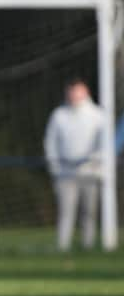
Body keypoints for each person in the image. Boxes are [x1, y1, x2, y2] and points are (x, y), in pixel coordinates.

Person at [44, 78, 103, 251]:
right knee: (65, 212)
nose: (74, 95)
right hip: (65, 172)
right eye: (71, 91)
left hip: (90, 171)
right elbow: (50, 141)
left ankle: (88, 246)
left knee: (89, 212)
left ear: (85, 91)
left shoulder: (98, 115)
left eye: (77, 90)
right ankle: (63, 246)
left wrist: (95, 160)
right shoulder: (59, 115)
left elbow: (104, 142)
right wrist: (54, 165)